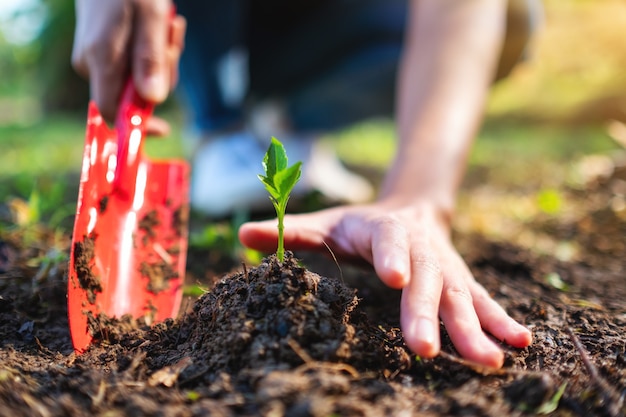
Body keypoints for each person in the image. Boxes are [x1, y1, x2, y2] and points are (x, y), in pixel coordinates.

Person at [72, 0, 541, 369]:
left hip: (314, 35)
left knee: (513, 15)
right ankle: (221, 127)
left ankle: (285, 121)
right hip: (206, 23)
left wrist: (420, 196)